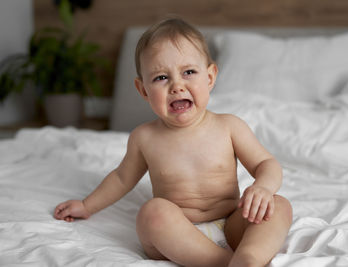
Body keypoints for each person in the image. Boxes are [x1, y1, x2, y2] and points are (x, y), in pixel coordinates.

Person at [54, 17, 293, 267]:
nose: (177, 86)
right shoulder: (144, 137)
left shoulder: (229, 126)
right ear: (143, 90)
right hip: (177, 236)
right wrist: (86, 205)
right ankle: (227, 263)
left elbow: (266, 163)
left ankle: (249, 257)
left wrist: (264, 187)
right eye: (160, 78)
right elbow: (121, 178)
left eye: (189, 72)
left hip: (232, 223)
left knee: (279, 206)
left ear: (210, 77)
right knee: (152, 212)